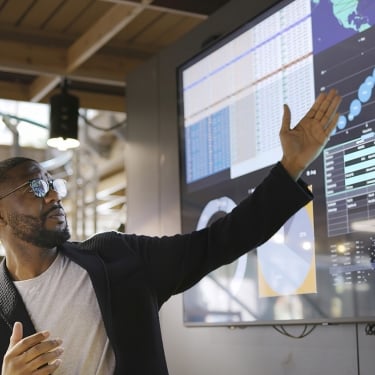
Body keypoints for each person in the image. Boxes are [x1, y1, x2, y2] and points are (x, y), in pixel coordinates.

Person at [0, 89, 341, 374]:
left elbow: (219, 242)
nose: (56, 194)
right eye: (37, 187)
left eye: (54, 184)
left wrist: (291, 166)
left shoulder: (118, 257)